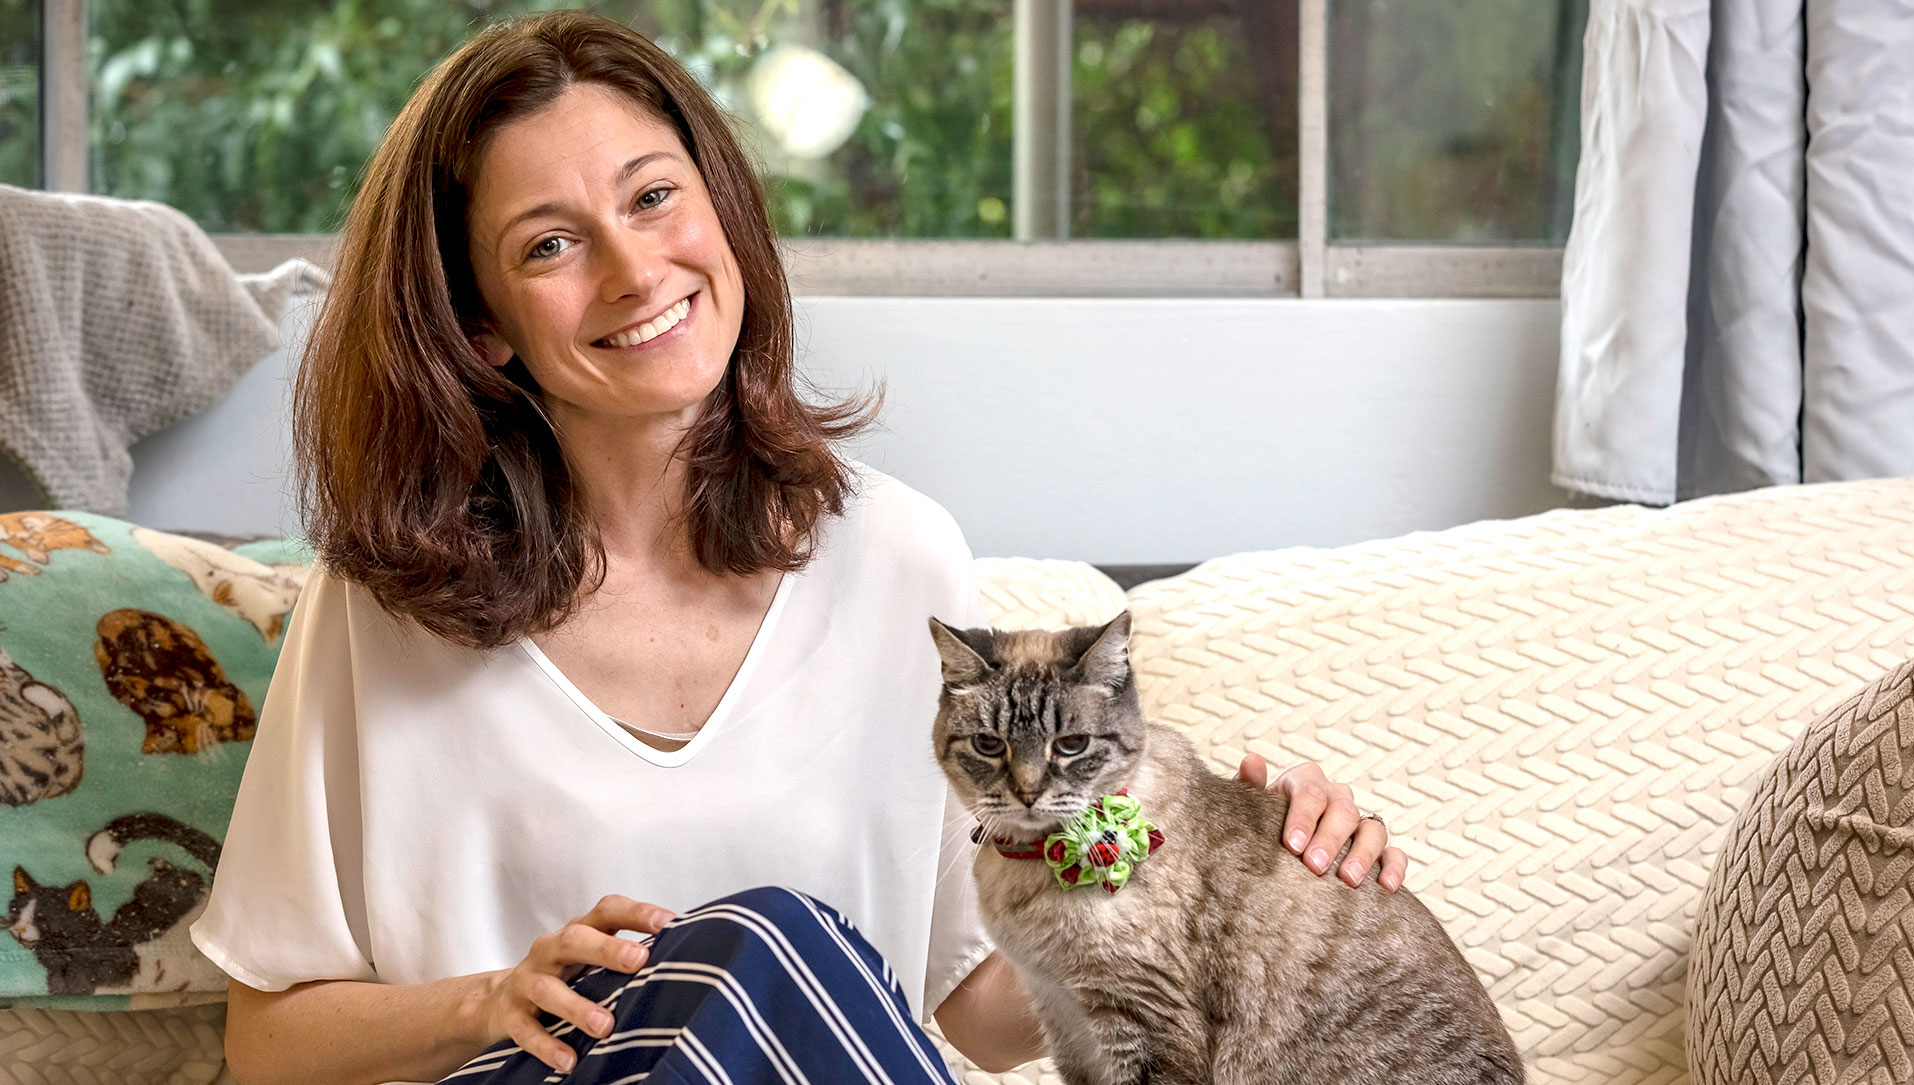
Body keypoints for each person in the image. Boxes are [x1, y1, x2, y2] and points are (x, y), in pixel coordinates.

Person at [189, 11, 1408, 1084]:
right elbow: (268, 1036)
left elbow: (972, 1020)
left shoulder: (897, 560)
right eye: (549, 245)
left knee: (782, 955)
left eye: (654, 196)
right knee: (759, 943)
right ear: (480, 324)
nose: (633, 270)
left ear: (720, 210)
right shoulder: (388, 606)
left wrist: (1213, 869)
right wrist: (493, 1001)